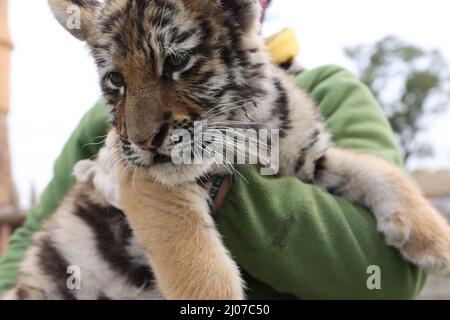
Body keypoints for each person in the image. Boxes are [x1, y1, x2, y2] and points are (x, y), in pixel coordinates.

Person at [0, 1, 426, 299]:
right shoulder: (103, 120)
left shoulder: (330, 91)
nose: (140, 131)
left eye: (178, 64)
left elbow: (392, 280)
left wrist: (218, 186)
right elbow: (27, 244)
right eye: (117, 82)